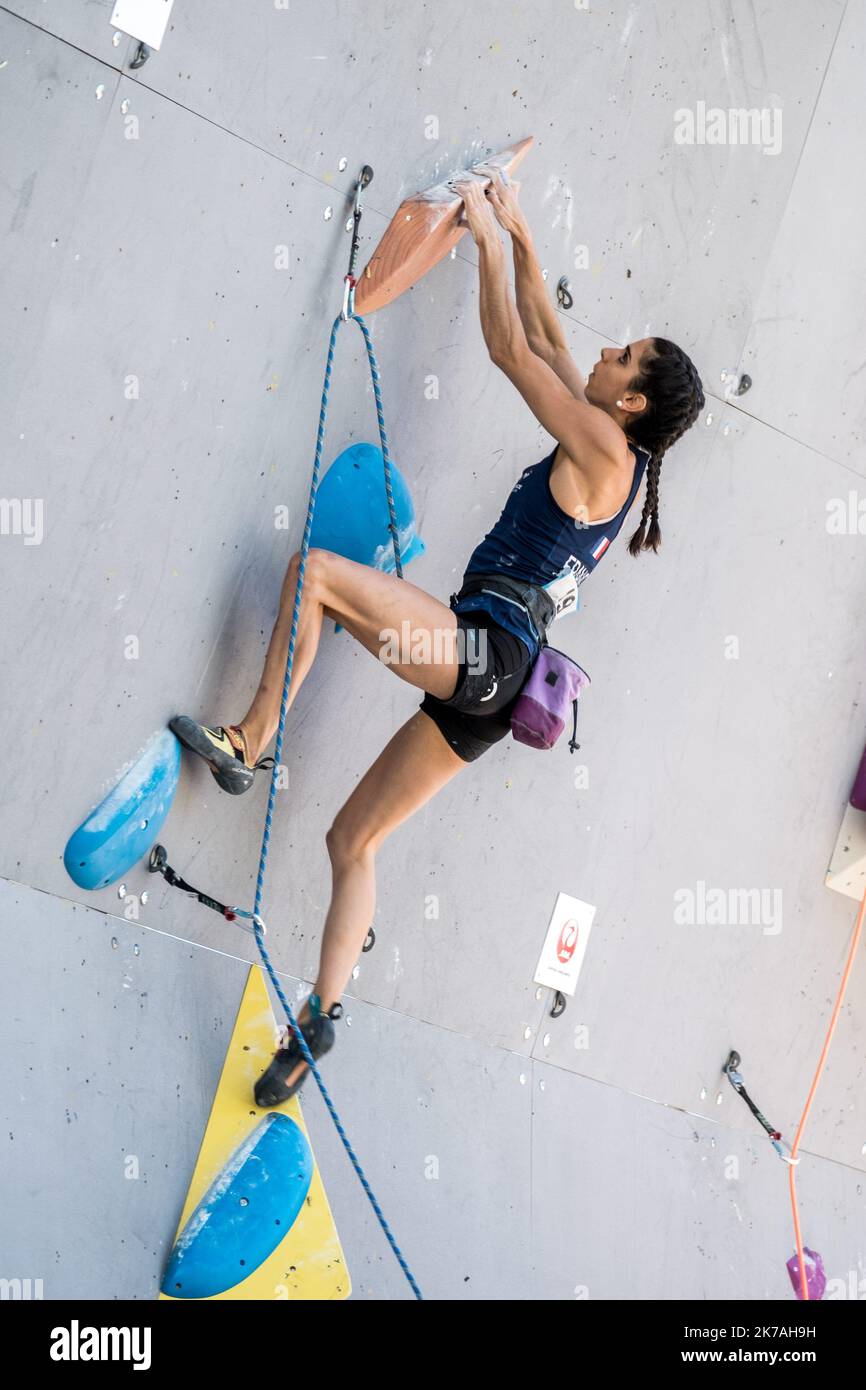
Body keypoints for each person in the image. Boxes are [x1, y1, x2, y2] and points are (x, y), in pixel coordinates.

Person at [171, 172, 705, 1105]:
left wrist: (481, 239)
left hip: (481, 652)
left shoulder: (604, 452)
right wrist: (522, 235)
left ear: (631, 404)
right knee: (352, 840)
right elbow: (546, 337)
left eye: (624, 355)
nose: (607, 352)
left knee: (317, 577)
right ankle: (319, 1019)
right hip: (496, 692)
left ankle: (250, 744)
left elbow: (510, 350)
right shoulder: (615, 459)